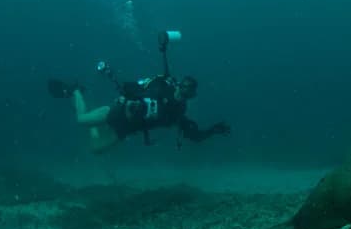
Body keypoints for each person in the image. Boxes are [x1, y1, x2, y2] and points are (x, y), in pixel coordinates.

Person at [49, 32, 231, 153]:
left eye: (186, 92)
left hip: (128, 129)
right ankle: (76, 92)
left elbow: (194, 136)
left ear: (190, 96)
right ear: (178, 85)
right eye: (181, 87)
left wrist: (213, 131)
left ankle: (96, 127)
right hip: (118, 111)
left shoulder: (178, 112)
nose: (181, 92)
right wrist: (129, 99)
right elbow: (132, 87)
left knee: (96, 150)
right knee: (81, 121)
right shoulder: (162, 85)